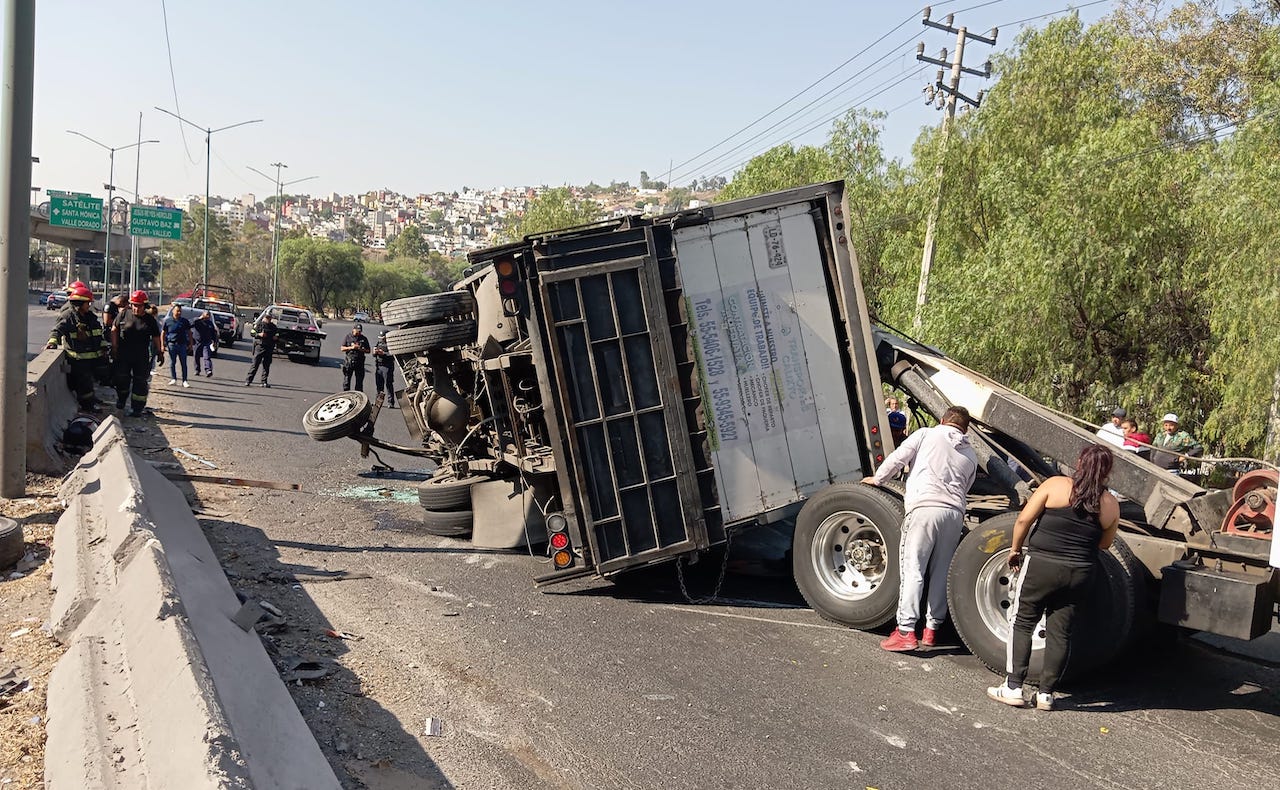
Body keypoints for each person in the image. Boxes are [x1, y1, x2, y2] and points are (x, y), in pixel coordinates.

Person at [987, 444, 1120, 711]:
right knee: (1061, 632)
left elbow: (1024, 520)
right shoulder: (1110, 504)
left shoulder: (1056, 485)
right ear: (1107, 471)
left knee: (1022, 620)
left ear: (1080, 462)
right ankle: (1047, 694)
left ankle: (1013, 687)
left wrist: (1015, 550)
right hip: (1080, 572)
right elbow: (1104, 544)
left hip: (1042, 564)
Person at [863, 405, 978, 652]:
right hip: (954, 514)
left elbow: (898, 458)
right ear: (965, 428)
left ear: (943, 420)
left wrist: (878, 479)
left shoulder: (926, 434)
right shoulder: (971, 454)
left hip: (925, 507)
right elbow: (966, 487)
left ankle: (905, 631)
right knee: (940, 573)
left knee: (913, 568)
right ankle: (931, 630)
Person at [46, 284, 108, 413]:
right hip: (78, 360)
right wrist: (52, 343)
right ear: (80, 303)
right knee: (84, 385)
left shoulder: (90, 317)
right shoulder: (68, 317)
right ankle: (88, 407)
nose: (89, 305)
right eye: (87, 303)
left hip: (93, 358)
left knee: (92, 382)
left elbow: (97, 334)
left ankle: (90, 404)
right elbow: (57, 331)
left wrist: (103, 348)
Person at [111, 291, 163, 417]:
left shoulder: (150, 320)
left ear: (144, 306)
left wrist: (160, 352)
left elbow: (156, 337)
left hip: (141, 356)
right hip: (124, 355)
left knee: (140, 382)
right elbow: (114, 329)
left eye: (139, 306)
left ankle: (137, 408)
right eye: (134, 305)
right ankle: (122, 400)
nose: (136, 308)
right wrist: (114, 347)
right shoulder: (123, 314)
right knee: (122, 379)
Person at [162, 304, 194, 387]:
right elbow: (163, 333)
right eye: (177, 311)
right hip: (172, 344)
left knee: (183, 363)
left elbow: (189, 333)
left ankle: (185, 380)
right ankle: (174, 379)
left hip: (182, 344)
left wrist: (190, 343)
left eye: (180, 311)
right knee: (172, 362)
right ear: (173, 311)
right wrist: (162, 344)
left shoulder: (184, 321)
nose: (179, 312)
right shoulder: (168, 321)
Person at [246, 312, 277, 387]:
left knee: (266, 365)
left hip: (269, 347)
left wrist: (276, 338)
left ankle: (264, 382)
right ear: (264, 317)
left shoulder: (273, 327)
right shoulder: (259, 324)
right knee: (255, 364)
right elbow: (252, 333)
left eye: (269, 318)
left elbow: (277, 335)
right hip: (260, 347)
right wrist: (259, 334)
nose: (268, 319)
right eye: (267, 318)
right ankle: (248, 380)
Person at [340, 323, 372, 392]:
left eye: (360, 331)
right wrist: (351, 347)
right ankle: (346, 396)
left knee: (359, 383)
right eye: (357, 331)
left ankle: (358, 398)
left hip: (359, 362)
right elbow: (342, 348)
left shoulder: (363, 338)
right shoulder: (348, 337)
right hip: (349, 361)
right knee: (346, 382)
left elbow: (368, 350)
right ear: (353, 329)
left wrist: (360, 349)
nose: (359, 332)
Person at [191, 310, 218, 377]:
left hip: (207, 342)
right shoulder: (197, 321)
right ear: (203, 314)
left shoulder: (210, 323)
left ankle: (208, 370)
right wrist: (199, 318)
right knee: (196, 356)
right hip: (197, 342)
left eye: (209, 315)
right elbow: (191, 323)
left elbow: (213, 333)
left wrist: (214, 341)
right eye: (206, 314)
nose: (208, 316)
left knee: (207, 357)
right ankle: (197, 370)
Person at [373, 329, 396, 403]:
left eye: (383, 338)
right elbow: (374, 354)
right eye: (380, 338)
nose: (381, 339)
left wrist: (384, 354)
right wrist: (375, 352)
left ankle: (391, 401)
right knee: (379, 385)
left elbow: (393, 355)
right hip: (379, 366)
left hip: (387, 366)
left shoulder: (391, 344)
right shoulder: (379, 343)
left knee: (388, 384)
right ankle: (378, 402)